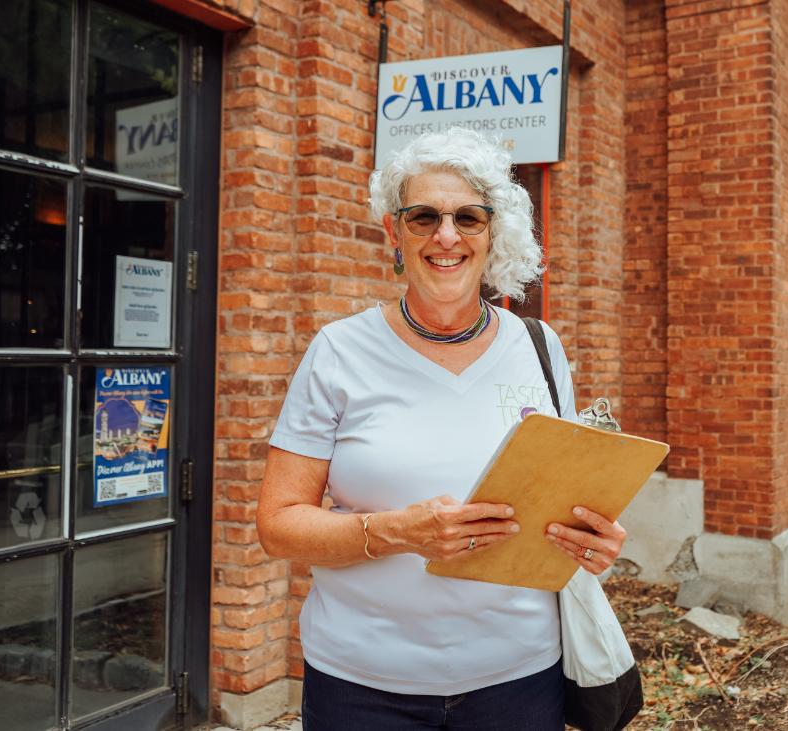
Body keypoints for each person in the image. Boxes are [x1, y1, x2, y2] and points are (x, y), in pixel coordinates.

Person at [257, 126, 629, 730]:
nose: (446, 236)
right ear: (394, 233)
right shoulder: (338, 351)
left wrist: (596, 540)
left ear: (493, 232)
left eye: (469, 218)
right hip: (362, 685)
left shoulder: (539, 347)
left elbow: (563, 501)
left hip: (520, 679)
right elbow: (277, 527)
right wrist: (397, 533)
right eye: (424, 216)